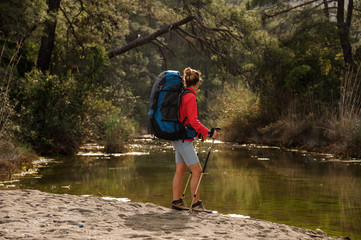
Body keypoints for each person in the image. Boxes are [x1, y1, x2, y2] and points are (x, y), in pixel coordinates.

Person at [171, 67, 220, 212]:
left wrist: (199, 134)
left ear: (186, 82)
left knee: (180, 170)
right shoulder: (190, 97)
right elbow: (193, 120)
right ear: (197, 83)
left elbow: (185, 119)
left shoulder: (182, 94)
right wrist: (208, 132)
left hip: (178, 137)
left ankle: (176, 201)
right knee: (197, 171)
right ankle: (196, 204)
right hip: (183, 140)